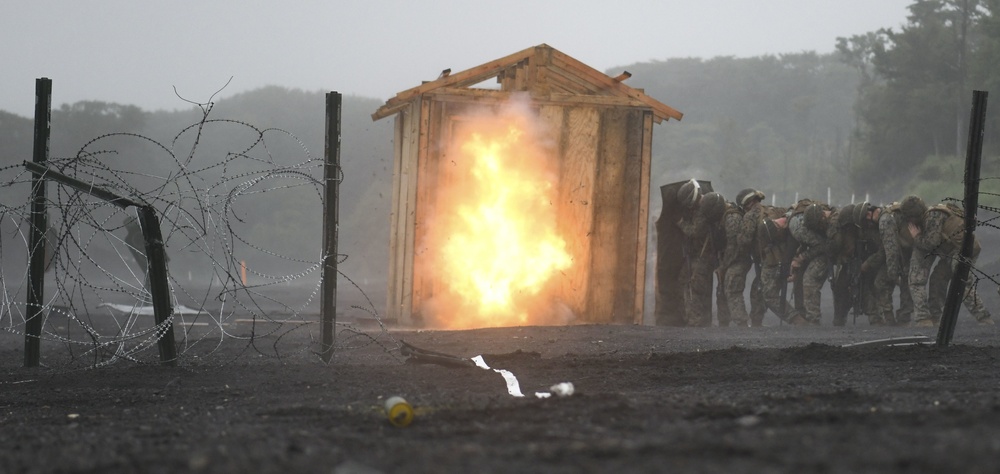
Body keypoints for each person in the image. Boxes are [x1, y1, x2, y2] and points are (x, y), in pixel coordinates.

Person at [907, 198, 993, 326]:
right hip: (952, 253)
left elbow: (932, 243)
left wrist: (917, 237)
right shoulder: (932, 214)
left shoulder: (933, 216)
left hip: (962, 251)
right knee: (937, 279)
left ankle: (983, 317)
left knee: (961, 281)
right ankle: (936, 318)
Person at [677, 190, 726, 327]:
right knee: (688, 285)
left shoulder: (702, 213)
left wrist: (682, 224)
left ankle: (696, 322)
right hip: (698, 256)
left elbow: (695, 232)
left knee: (696, 289)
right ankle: (694, 320)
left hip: (703, 257)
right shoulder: (704, 208)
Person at [719, 188, 765, 327]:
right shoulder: (766, 211)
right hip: (766, 259)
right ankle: (756, 322)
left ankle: (742, 324)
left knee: (733, 287)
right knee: (759, 290)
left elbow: (743, 242)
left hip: (756, 259)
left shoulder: (750, 216)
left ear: (748, 203)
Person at [789, 202, 833, 325]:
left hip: (825, 250)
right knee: (804, 280)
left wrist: (802, 257)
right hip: (817, 248)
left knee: (810, 281)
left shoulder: (799, 229)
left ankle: (813, 318)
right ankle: (806, 314)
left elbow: (822, 245)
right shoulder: (797, 227)